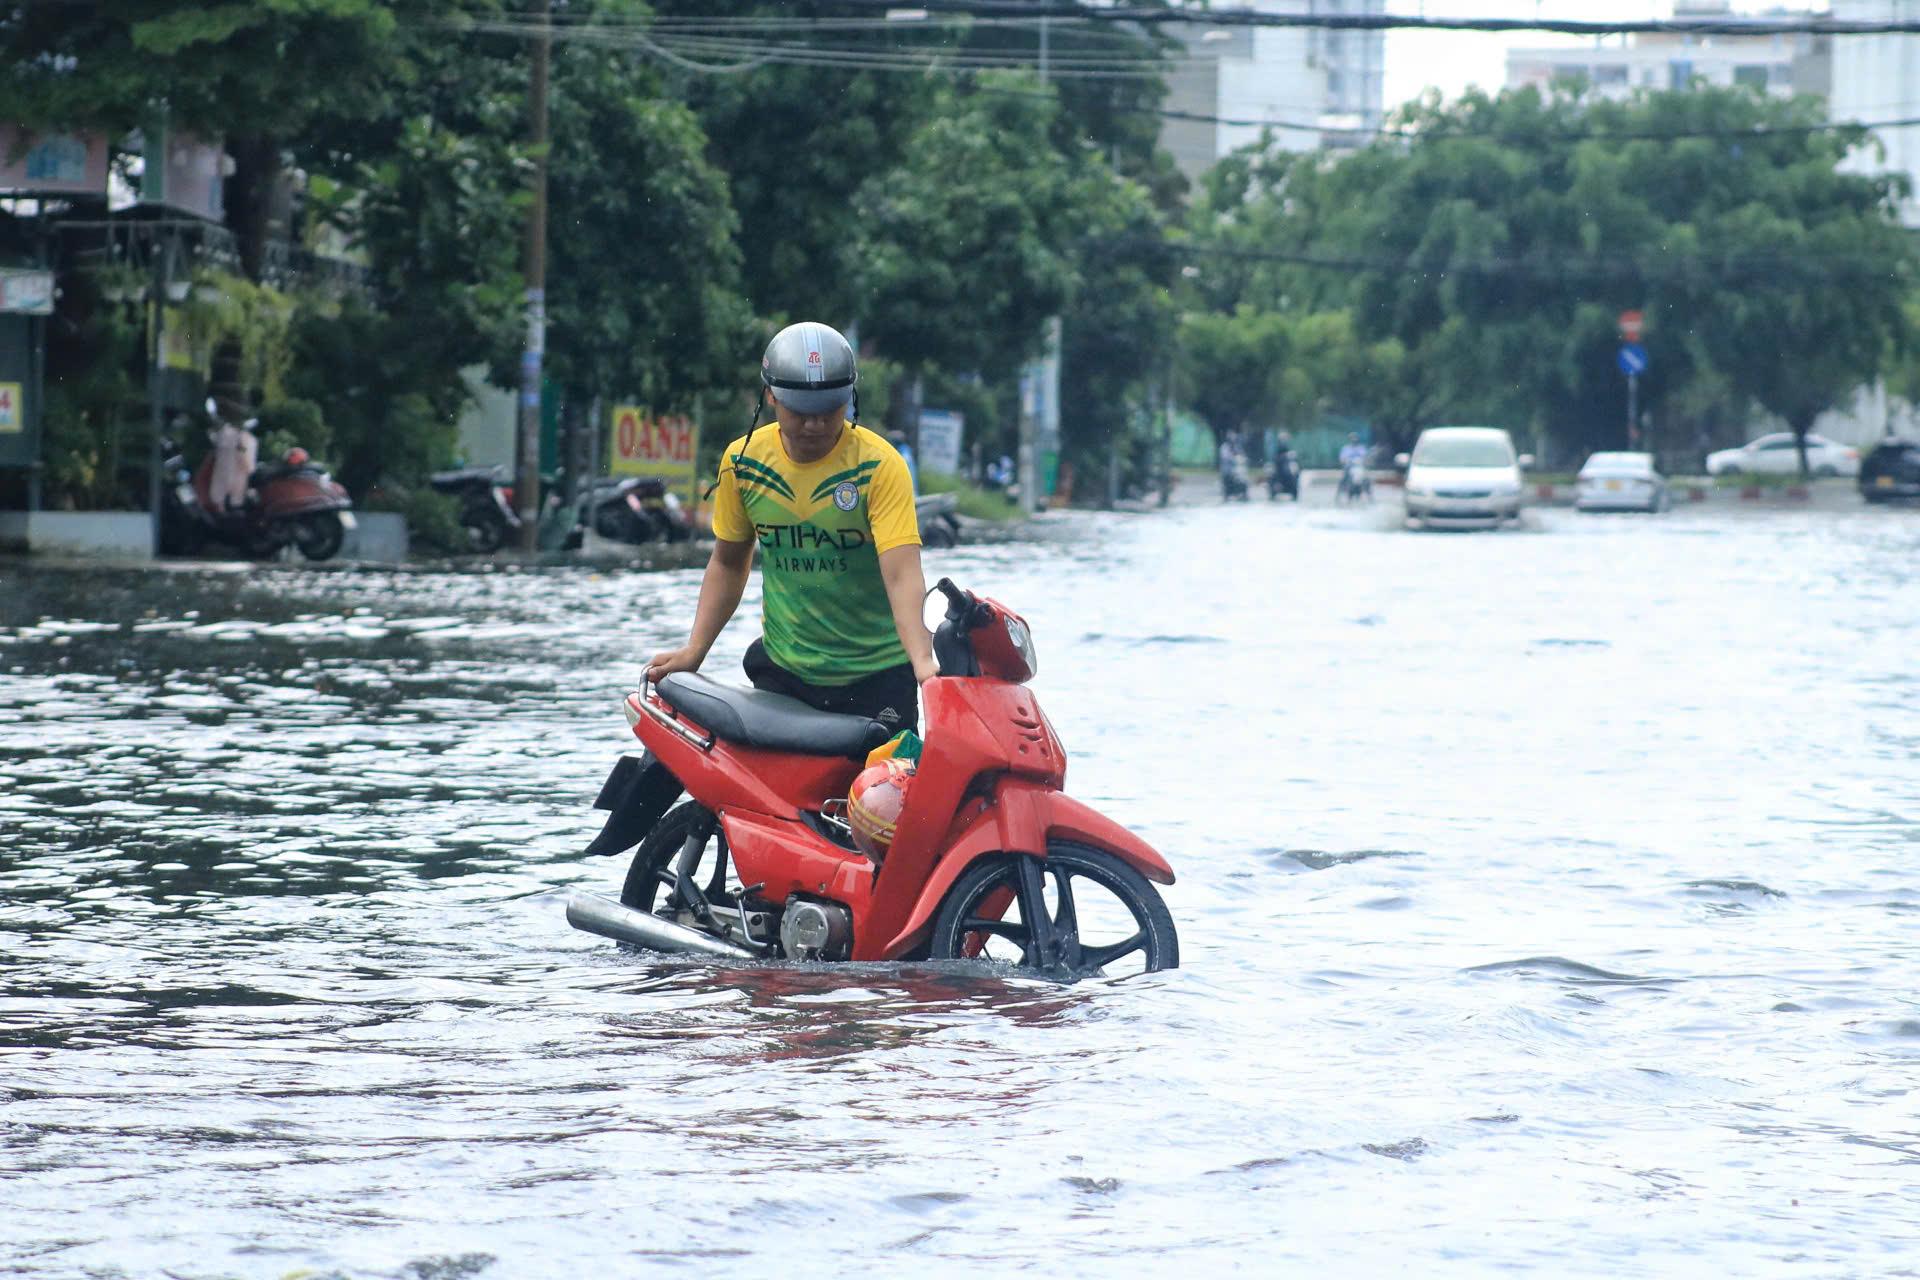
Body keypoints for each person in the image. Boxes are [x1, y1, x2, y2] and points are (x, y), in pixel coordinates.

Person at [645, 322, 937, 733]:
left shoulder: (879, 466)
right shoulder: (743, 463)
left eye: (830, 411)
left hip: (879, 675)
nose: (815, 425)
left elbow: (902, 572)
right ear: (771, 397)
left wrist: (925, 667)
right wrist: (695, 650)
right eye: (800, 412)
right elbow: (729, 564)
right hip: (784, 675)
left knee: (888, 793)